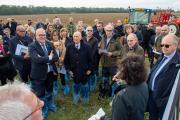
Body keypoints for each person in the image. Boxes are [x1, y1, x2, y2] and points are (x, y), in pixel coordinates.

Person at [97, 54, 149, 120]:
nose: (119, 72)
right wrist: (122, 82)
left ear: (126, 73)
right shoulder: (144, 84)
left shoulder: (121, 97)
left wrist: (102, 119)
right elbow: (133, 87)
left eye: (122, 70)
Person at [147, 34, 180, 120]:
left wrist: (166, 100)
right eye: (162, 45)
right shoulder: (162, 56)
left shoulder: (178, 61)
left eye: (167, 45)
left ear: (176, 46)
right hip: (152, 97)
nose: (163, 47)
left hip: (164, 101)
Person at [28, 28, 59, 119]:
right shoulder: (32, 46)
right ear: (36, 36)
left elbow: (56, 57)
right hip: (39, 75)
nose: (42, 36)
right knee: (41, 94)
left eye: (44, 35)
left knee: (49, 90)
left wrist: (44, 58)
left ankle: (50, 104)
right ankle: (43, 109)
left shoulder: (49, 43)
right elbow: (36, 59)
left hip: (50, 73)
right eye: (40, 35)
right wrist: (49, 58)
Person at [64, 31, 93, 104]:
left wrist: (90, 69)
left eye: (77, 36)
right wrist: (68, 70)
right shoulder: (69, 47)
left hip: (84, 70)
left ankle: (85, 98)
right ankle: (76, 97)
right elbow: (66, 60)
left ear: (80, 38)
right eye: (74, 36)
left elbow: (91, 59)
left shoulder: (87, 47)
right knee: (76, 85)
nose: (75, 38)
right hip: (74, 71)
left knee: (85, 85)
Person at [98, 23, 124, 97]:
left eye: (110, 30)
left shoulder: (116, 39)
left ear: (112, 31)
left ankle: (113, 95)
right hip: (104, 63)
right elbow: (100, 46)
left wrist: (112, 53)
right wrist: (99, 50)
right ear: (105, 30)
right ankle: (105, 92)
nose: (108, 32)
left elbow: (121, 51)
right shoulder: (103, 37)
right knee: (104, 79)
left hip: (113, 64)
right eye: (107, 30)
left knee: (113, 80)